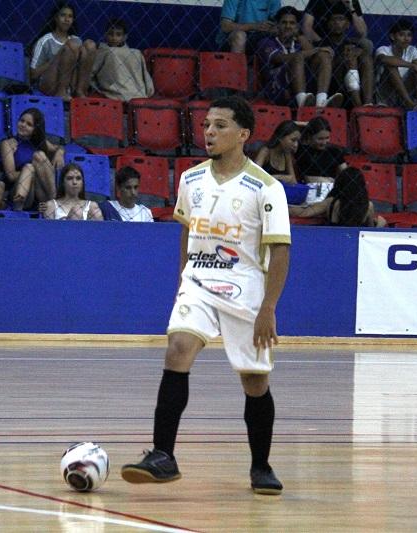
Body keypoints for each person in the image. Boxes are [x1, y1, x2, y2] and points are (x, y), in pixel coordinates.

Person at [120, 96, 291, 495]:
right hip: (198, 281)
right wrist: (184, 278)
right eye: (206, 125)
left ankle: (261, 466)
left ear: (243, 134)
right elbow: (186, 231)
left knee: (254, 381)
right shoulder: (191, 179)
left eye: (220, 126)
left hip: (245, 288)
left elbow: (281, 250)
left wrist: (268, 308)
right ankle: (163, 455)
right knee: (177, 348)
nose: (209, 132)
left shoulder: (267, 188)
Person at [257, 6, 343, 109]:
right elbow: (278, 58)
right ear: (277, 25)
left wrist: (301, 37)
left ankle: (321, 101)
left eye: (292, 23)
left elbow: (314, 56)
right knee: (298, 57)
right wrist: (315, 49)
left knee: (323, 56)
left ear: (297, 27)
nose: (288, 26)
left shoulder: (299, 45)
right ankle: (302, 102)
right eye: (284, 23)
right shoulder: (266, 42)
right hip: (278, 91)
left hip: (307, 92)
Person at [30, 2, 96, 100]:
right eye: (63, 15)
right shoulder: (45, 41)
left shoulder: (76, 40)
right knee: (71, 46)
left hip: (72, 84)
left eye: (70, 16)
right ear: (56, 18)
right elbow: (33, 74)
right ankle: (61, 92)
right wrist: (59, 56)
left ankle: (80, 91)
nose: (67, 19)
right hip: (49, 85)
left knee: (90, 45)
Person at [0, 108, 63, 211]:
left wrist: (60, 153)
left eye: (29, 124)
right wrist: (31, 170)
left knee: (39, 155)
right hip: (17, 191)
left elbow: (59, 147)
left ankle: (54, 200)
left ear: (35, 130)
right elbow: (11, 176)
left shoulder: (41, 143)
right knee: (29, 167)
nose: (23, 125)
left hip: (40, 195)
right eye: (22, 121)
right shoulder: (8, 144)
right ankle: (19, 206)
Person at [317, 1, 374, 108]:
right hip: (330, 84)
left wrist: (360, 52)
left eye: (341, 19)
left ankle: (368, 104)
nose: (337, 23)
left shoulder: (353, 44)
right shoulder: (321, 44)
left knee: (365, 57)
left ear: (348, 25)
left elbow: (363, 35)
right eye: (333, 19)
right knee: (349, 58)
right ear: (328, 24)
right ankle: (358, 105)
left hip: (351, 85)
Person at [289, 166, 387, 227]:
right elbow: (369, 233)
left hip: (334, 240)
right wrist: (380, 225)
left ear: (339, 184)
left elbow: (304, 212)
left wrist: (283, 208)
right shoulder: (368, 206)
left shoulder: (332, 202)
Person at [375, 19, 417, 110]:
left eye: (409, 35)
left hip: (406, 91)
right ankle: (409, 104)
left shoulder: (413, 50)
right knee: (391, 66)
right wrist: (413, 66)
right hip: (386, 95)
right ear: (392, 36)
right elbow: (385, 59)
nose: (406, 39)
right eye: (401, 35)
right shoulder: (383, 49)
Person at [90, 18, 154, 101]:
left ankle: (133, 92)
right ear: (105, 35)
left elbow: (143, 76)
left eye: (118, 35)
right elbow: (92, 72)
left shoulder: (134, 53)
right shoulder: (102, 51)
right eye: (110, 34)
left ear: (124, 37)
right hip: (113, 88)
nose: (114, 38)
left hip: (136, 89)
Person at [296, 116, 347, 203]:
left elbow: (346, 173)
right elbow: (287, 126)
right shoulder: (302, 150)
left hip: (331, 188)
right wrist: (306, 124)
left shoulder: (334, 151)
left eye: (327, 138)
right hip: (312, 189)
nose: (324, 142)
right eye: (320, 139)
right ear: (310, 136)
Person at [254, 120, 301, 184]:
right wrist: (279, 177)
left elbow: (293, 181)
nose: (296, 145)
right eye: (293, 140)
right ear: (280, 137)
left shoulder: (287, 154)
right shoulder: (265, 151)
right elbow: (254, 176)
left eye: (297, 141)